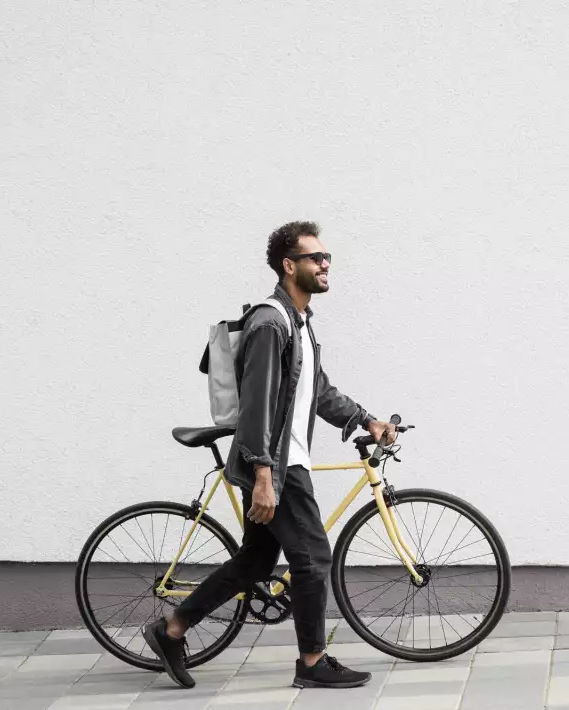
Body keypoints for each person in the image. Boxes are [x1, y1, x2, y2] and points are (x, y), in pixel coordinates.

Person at [142, 221, 397, 690]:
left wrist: (367, 420)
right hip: (278, 465)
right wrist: (264, 474)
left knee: (257, 563)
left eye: (326, 258)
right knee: (314, 557)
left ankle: (170, 629)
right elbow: (258, 405)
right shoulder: (269, 323)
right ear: (288, 265)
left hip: (282, 460)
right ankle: (311, 662)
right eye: (314, 258)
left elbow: (317, 391)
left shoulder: (298, 322)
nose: (324, 265)